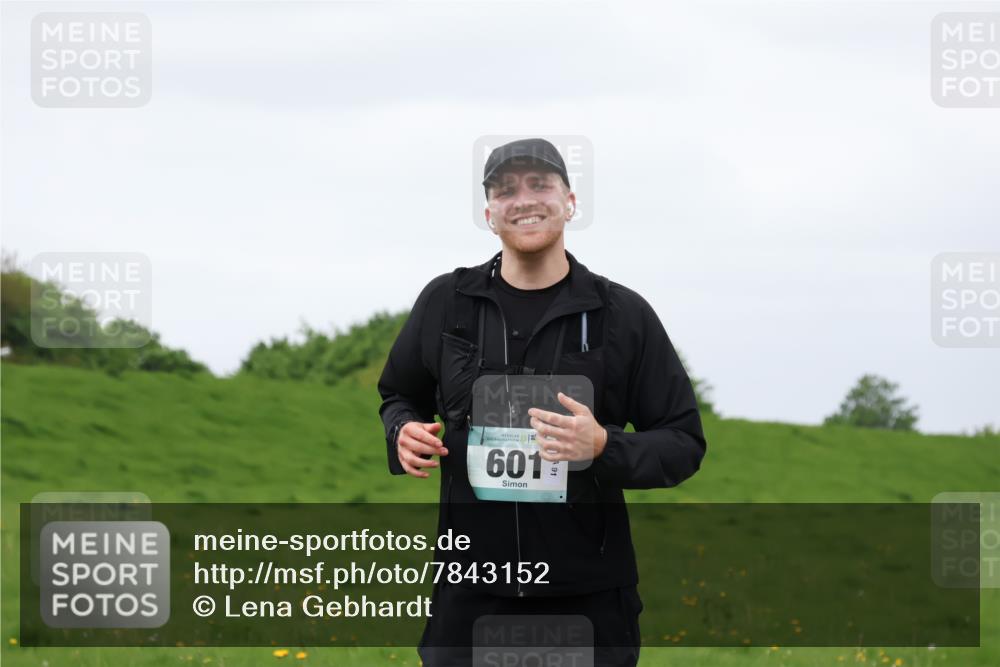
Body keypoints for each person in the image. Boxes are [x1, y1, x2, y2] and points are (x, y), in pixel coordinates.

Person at [377, 137, 707, 666]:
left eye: (540, 184)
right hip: (469, 596)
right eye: (505, 190)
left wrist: (603, 445)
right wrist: (403, 432)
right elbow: (399, 394)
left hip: (588, 600)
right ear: (489, 213)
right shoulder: (446, 303)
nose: (523, 199)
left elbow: (682, 442)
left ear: (570, 202)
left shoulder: (621, 315)